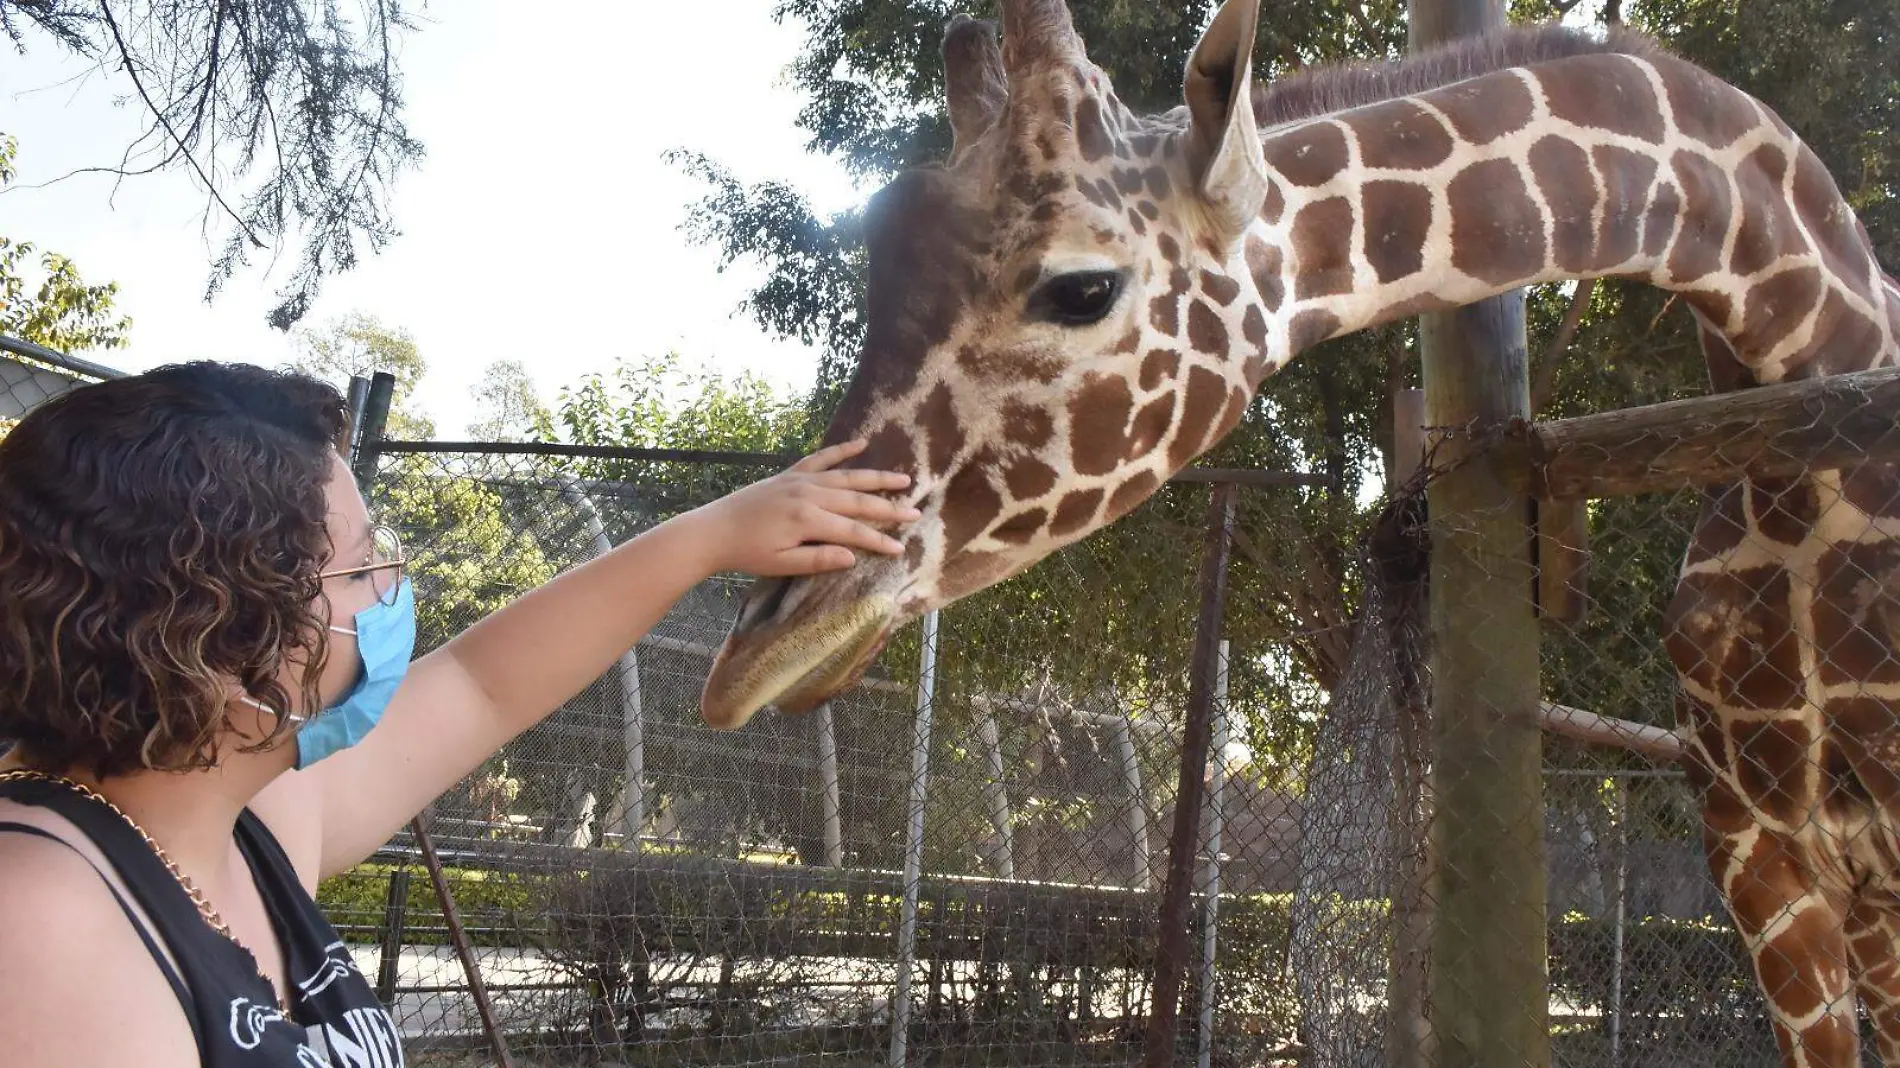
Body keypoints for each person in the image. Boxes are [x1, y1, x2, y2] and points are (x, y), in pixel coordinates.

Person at [0, 360, 918, 1067]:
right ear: (230, 651)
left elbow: (486, 683)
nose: (396, 588)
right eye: (363, 571)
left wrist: (715, 536)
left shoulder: (234, 824)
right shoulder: (40, 923)